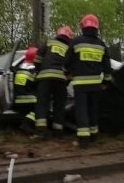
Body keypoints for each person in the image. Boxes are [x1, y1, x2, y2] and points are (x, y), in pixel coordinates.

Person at [63, 14, 112, 149]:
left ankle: (83, 140)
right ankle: (94, 135)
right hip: (96, 85)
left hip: (80, 84)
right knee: (93, 110)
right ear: (97, 27)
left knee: (82, 111)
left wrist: (67, 73)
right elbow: (107, 68)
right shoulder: (101, 45)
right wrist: (105, 83)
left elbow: (66, 62)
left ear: (83, 26)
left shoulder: (76, 42)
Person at [33, 26, 74, 138]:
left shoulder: (49, 42)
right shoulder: (69, 48)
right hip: (60, 79)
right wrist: (67, 78)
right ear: (69, 36)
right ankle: (58, 131)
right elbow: (71, 66)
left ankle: (41, 131)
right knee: (59, 105)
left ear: (58, 33)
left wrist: (38, 70)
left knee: (42, 103)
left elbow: (37, 58)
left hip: (45, 77)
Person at [14, 46, 38, 134]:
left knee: (24, 112)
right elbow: (38, 84)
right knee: (41, 106)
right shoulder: (33, 70)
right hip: (29, 98)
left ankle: (23, 124)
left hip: (17, 99)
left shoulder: (19, 68)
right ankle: (26, 124)